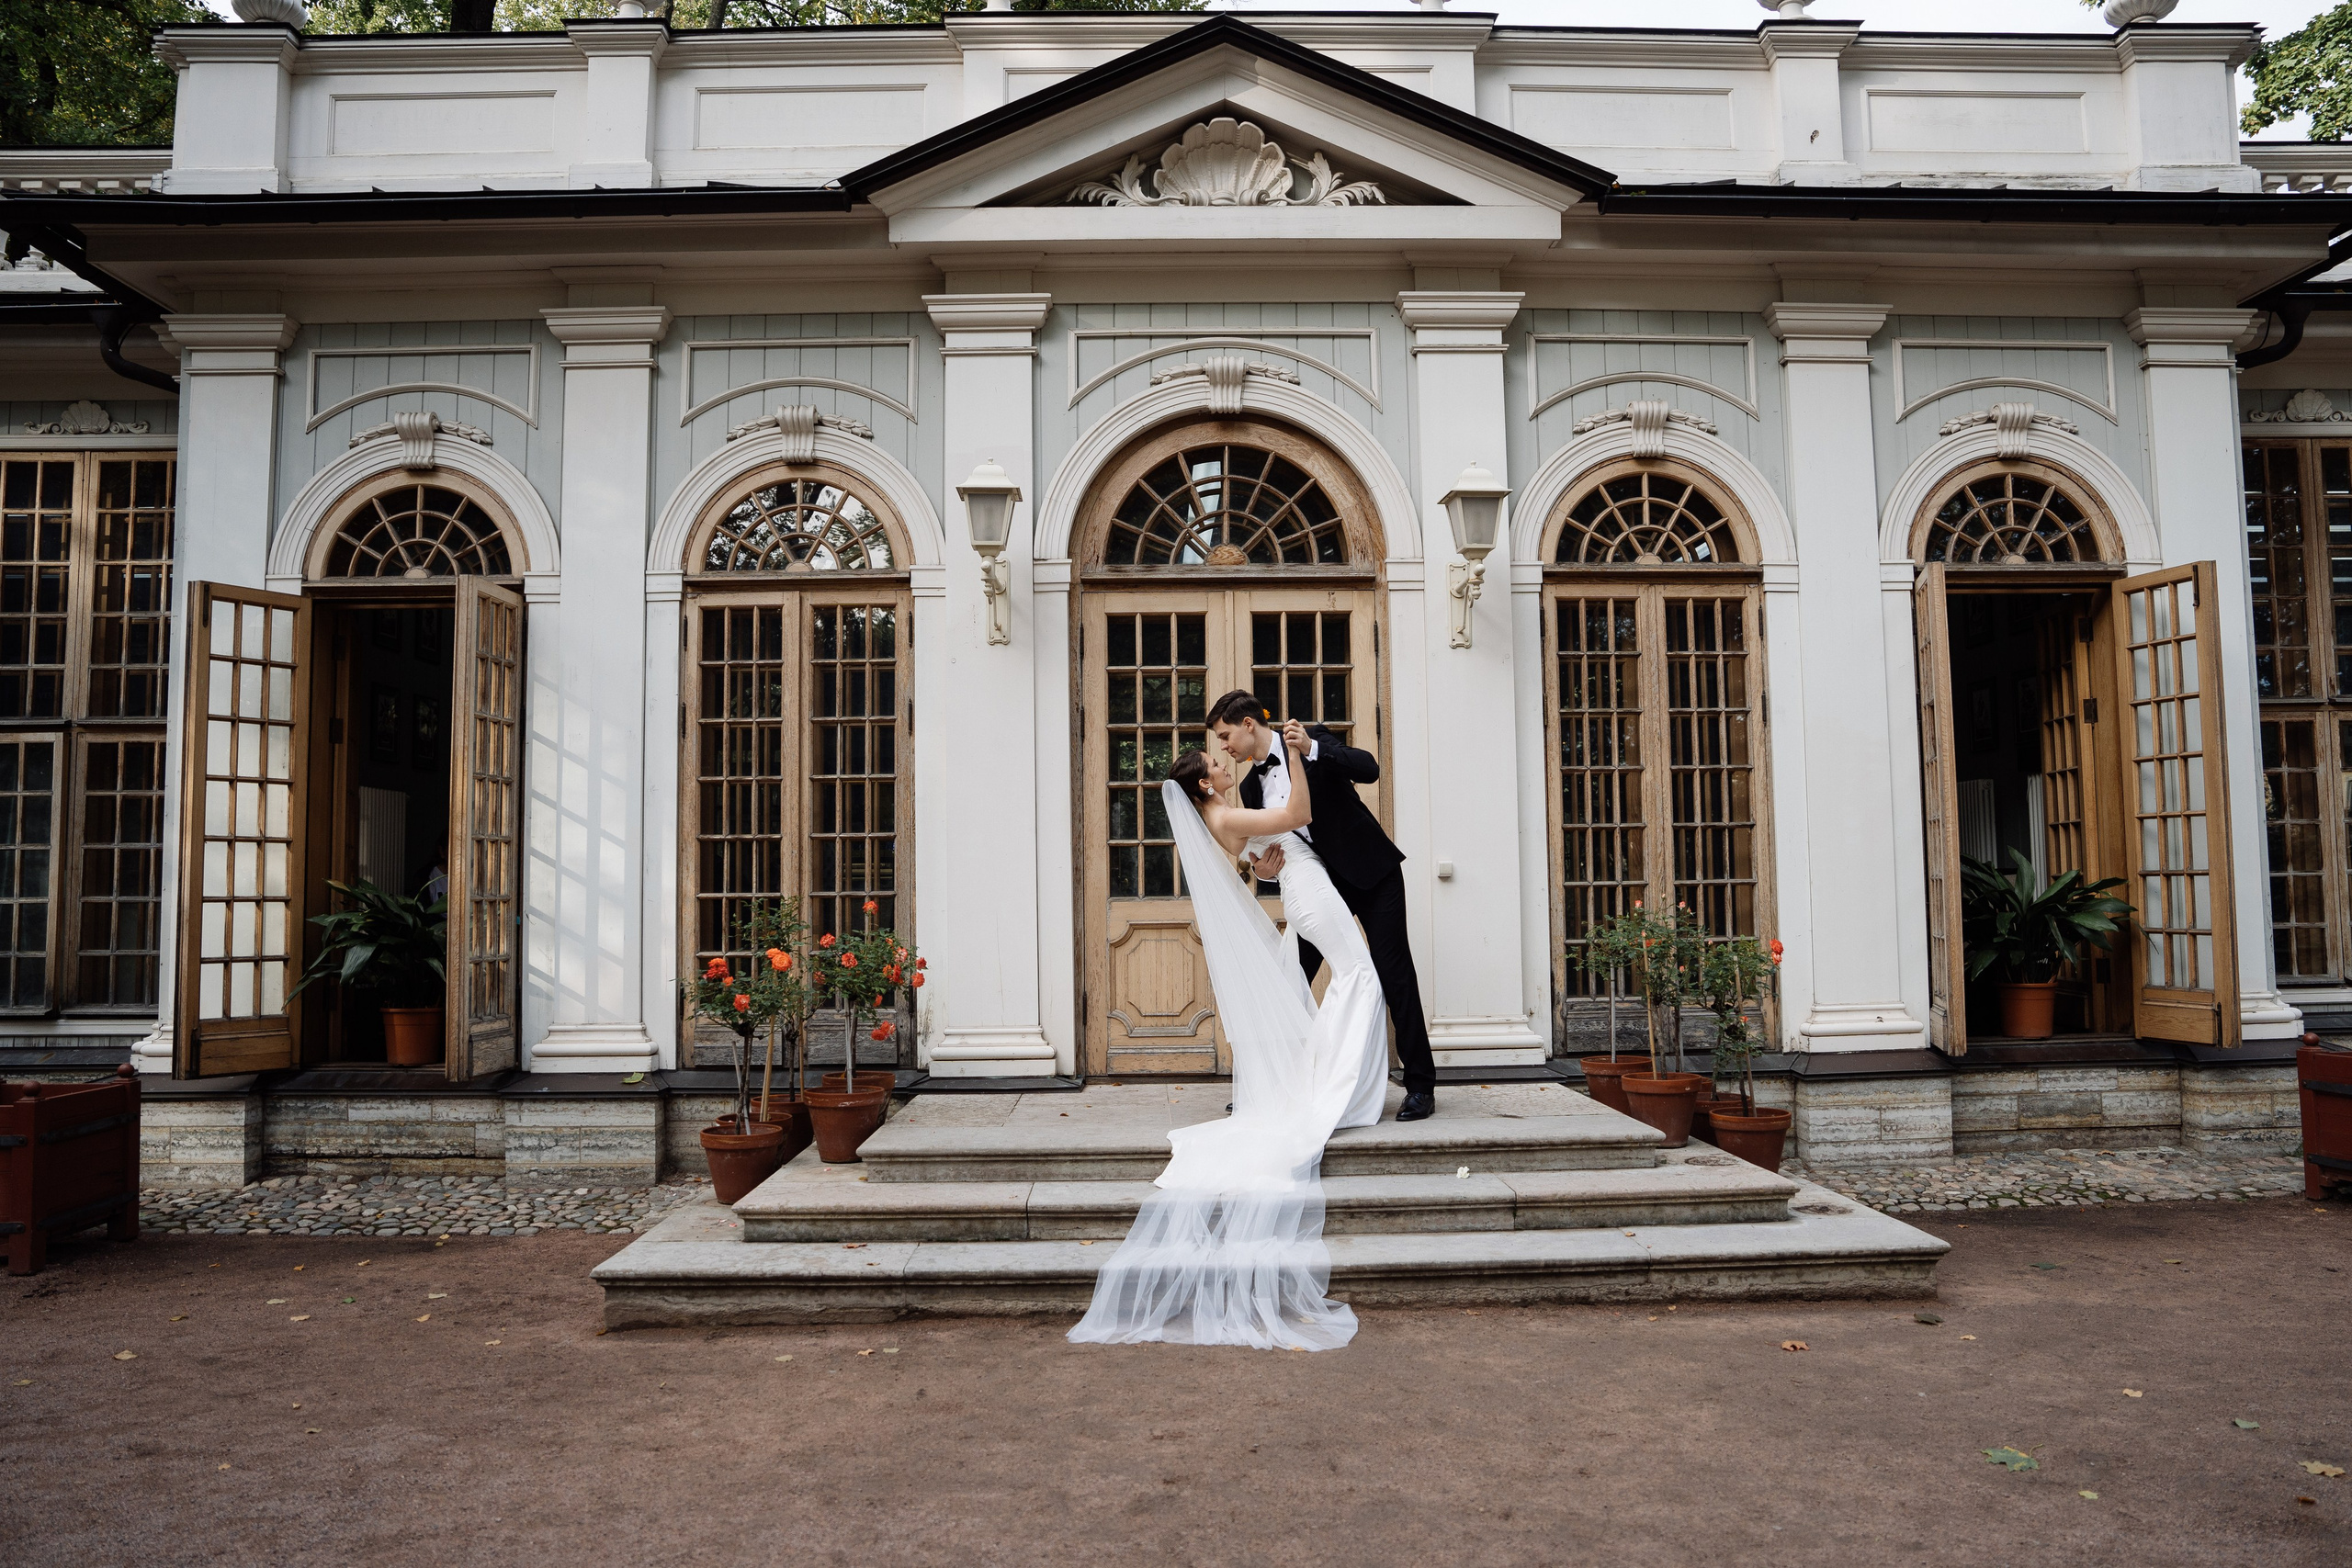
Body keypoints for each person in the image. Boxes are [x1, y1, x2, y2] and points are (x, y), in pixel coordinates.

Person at [1068, 726, 1386, 1350]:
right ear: (1203, 784)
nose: (1224, 765)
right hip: (1309, 890)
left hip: (1302, 884)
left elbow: (1258, 851)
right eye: (1215, 763)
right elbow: (1298, 812)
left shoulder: (1221, 815)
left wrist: (1258, 860)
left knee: (1357, 978)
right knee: (1360, 976)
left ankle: (1338, 1084)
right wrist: (1297, 752)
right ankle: (1338, 1087)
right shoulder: (1222, 810)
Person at [1210, 690, 1436, 1123]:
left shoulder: (1310, 738)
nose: (1224, 746)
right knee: (1288, 977)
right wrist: (1265, 871)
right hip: (1319, 889)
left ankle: (1420, 1086)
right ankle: (1271, 1083)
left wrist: (1312, 749)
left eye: (1225, 735)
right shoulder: (1249, 785)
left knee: (1393, 973)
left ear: (1248, 724)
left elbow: (1368, 768)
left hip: (1372, 874)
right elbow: (1276, 847)